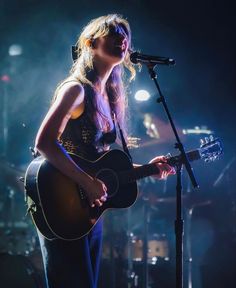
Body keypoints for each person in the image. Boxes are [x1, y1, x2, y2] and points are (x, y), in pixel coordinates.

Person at [34, 14, 175, 288]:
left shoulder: (110, 97)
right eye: (113, 33)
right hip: (60, 203)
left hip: (87, 212)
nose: (122, 39)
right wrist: (87, 182)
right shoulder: (76, 90)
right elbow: (44, 143)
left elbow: (97, 164)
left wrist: (147, 168)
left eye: (125, 35)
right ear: (91, 42)